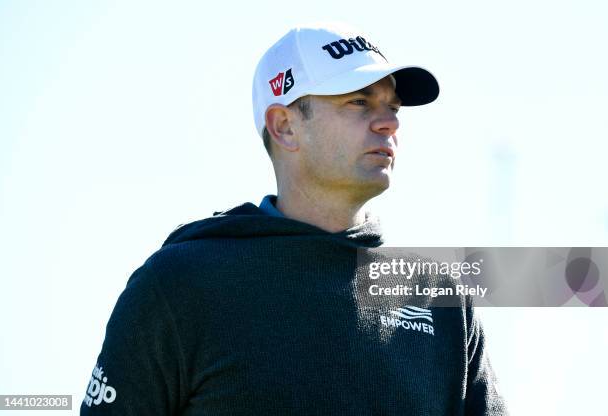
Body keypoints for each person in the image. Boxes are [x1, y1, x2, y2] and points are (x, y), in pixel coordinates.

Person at [81, 22, 508, 415]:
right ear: (284, 126)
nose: (389, 122)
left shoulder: (443, 297)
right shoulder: (181, 284)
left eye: (393, 106)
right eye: (359, 102)